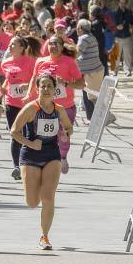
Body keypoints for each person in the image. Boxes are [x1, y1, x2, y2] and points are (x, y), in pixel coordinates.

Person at [10, 73, 73, 250]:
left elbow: (69, 127)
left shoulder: (59, 110)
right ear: (37, 89)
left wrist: (65, 134)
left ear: (55, 90)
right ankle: (35, 185)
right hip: (30, 155)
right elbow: (14, 131)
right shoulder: (31, 109)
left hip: (52, 154)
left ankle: (45, 237)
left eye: (49, 86)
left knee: (48, 197)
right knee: (32, 202)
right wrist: (30, 143)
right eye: (42, 86)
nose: (46, 89)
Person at [27, 35, 84, 173]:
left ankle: (62, 157)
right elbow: (34, 80)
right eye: (51, 43)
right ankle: (48, 160)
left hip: (65, 106)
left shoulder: (69, 62)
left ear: (62, 46)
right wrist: (28, 95)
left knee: (63, 134)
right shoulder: (40, 61)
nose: (53, 46)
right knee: (44, 133)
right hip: (44, 106)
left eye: (57, 44)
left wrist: (65, 83)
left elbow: (81, 84)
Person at [0, 35, 39, 180]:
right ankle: (17, 166)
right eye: (9, 44)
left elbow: (36, 79)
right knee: (15, 134)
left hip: (28, 104)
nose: (10, 47)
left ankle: (30, 163)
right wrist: (2, 89)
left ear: (22, 48)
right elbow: (8, 81)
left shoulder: (31, 62)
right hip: (11, 102)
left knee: (29, 134)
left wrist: (27, 85)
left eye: (13, 44)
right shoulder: (5, 63)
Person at [76, 19, 105, 121]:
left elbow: (77, 53)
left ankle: (100, 118)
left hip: (92, 72)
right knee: (91, 97)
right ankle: (95, 118)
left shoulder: (84, 38)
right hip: (92, 71)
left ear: (80, 28)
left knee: (93, 98)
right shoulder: (91, 37)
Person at [113, 0, 133, 76]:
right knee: (116, 55)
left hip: (127, 36)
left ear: (126, 4)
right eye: (121, 3)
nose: (122, 4)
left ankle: (127, 70)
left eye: (124, 3)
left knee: (127, 55)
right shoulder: (115, 12)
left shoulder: (129, 12)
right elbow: (111, 25)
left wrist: (132, 28)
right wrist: (117, 27)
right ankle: (114, 70)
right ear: (118, 3)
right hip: (117, 37)